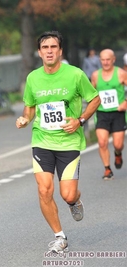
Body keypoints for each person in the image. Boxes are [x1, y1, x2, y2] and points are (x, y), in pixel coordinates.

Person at [16, 31, 100, 253]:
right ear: (39, 52)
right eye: (45, 48)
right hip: (42, 140)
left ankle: (75, 201)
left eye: (54, 47)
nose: (50, 51)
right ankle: (60, 236)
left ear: (60, 51)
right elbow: (30, 106)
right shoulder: (33, 78)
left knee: (67, 194)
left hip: (69, 142)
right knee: (44, 190)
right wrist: (25, 118)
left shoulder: (75, 74)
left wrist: (80, 121)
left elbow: (95, 99)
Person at [90, 49, 127, 180]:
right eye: (103, 60)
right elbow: (90, 93)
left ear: (113, 60)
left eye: (108, 60)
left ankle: (118, 153)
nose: (105, 62)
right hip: (102, 113)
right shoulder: (95, 75)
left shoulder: (121, 73)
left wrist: (125, 103)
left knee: (118, 144)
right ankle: (107, 169)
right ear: (100, 60)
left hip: (118, 113)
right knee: (102, 142)